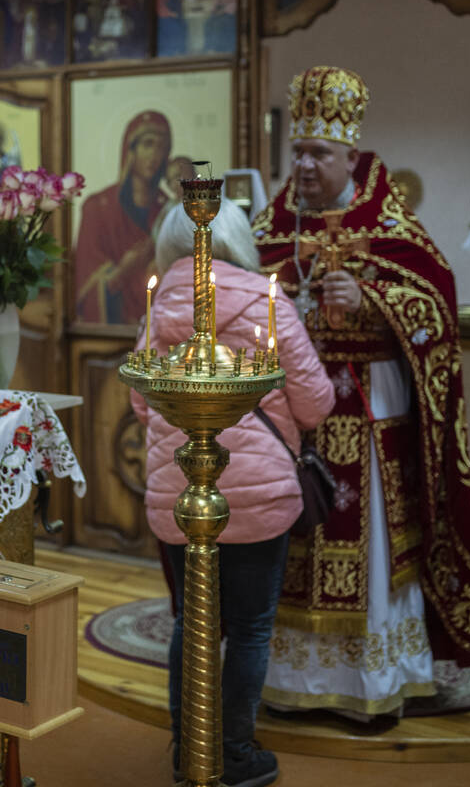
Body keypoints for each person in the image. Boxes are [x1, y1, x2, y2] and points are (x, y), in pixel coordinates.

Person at [252, 65, 470, 720]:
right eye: (297, 151)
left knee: (372, 546)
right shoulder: (274, 224)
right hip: (292, 420)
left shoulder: (390, 223)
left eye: (318, 153)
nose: (303, 164)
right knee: (293, 542)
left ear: (350, 156)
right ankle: (293, 683)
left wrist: (374, 298)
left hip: (369, 413)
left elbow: (436, 301)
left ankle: (372, 686)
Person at [132, 201, 334, 787]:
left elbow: (142, 402)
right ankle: (235, 752)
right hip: (259, 494)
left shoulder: (159, 305)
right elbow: (316, 402)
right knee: (249, 627)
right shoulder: (269, 302)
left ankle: (185, 750)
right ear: (240, 241)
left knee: (188, 623)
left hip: (175, 489)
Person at [74, 110, 196, 324]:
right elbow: (85, 284)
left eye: (161, 148)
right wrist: (123, 270)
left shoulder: (170, 210)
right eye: (147, 144)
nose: (154, 155)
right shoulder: (97, 208)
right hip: (111, 337)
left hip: (162, 328)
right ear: (130, 150)